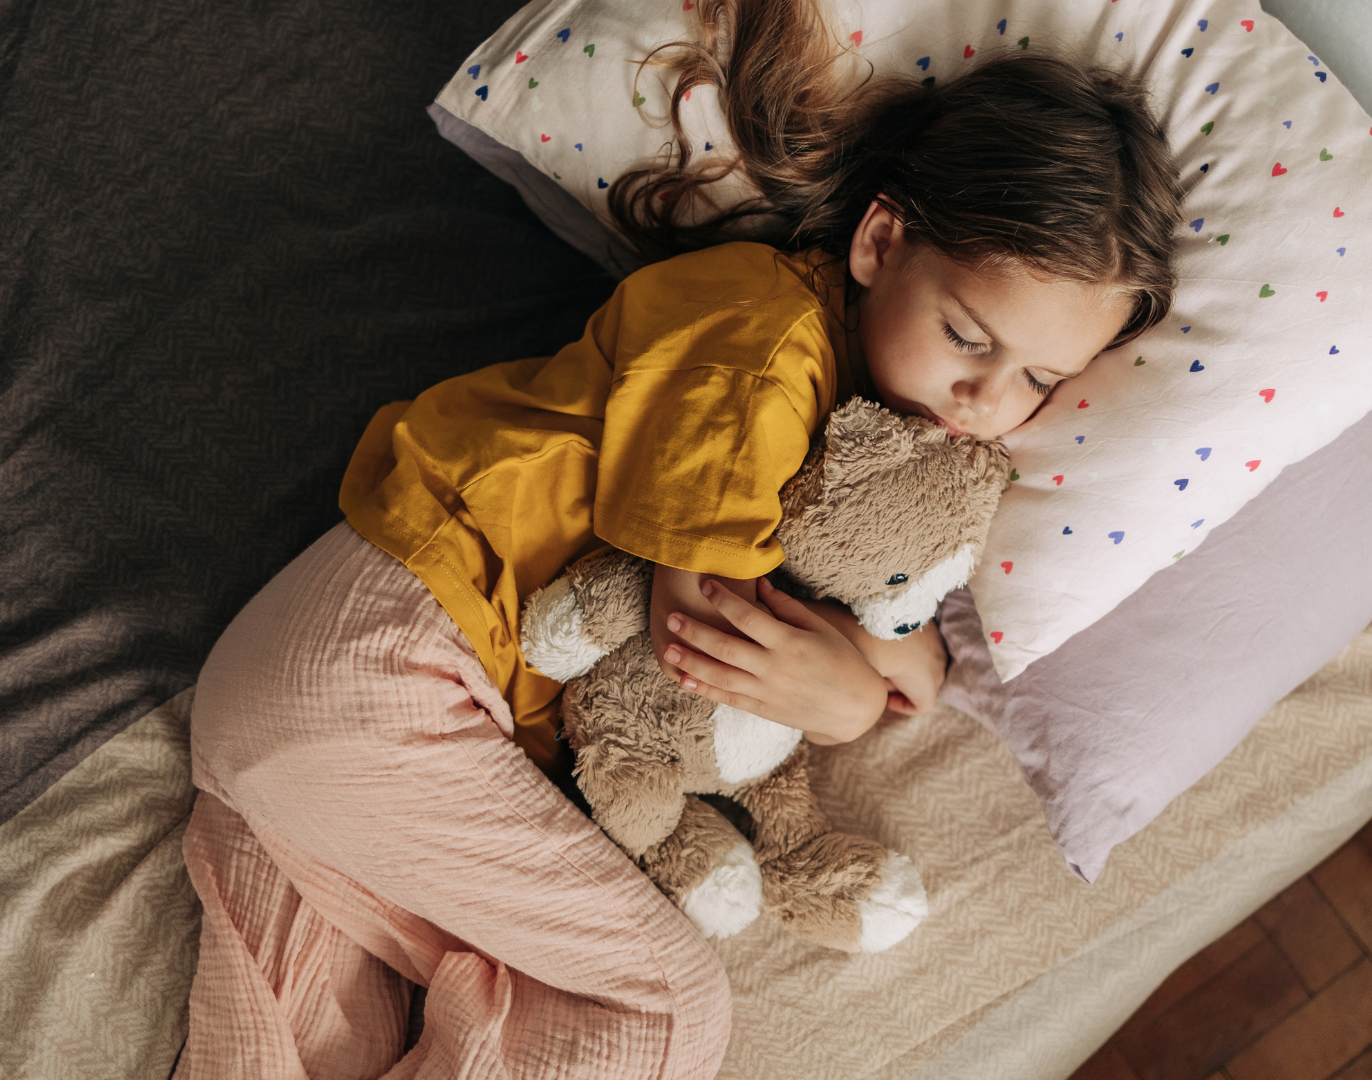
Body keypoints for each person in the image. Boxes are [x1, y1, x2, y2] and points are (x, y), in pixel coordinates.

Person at [174, 1, 1183, 1074]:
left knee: (316, 1043)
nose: (984, 399)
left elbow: (900, 637)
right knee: (661, 1008)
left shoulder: (882, 444)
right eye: (968, 338)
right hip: (388, 666)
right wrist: (844, 696)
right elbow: (704, 636)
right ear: (882, 241)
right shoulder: (761, 342)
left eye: (1037, 380)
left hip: (312, 704)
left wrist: (885, 653)